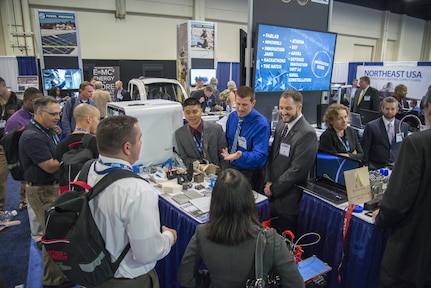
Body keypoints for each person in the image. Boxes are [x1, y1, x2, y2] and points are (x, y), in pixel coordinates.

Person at [85, 115, 177, 287]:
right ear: (127, 147)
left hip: (92, 271)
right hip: (127, 279)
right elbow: (146, 253)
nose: (141, 143)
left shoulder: (86, 171)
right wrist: (168, 238)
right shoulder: (138, 190)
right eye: (139, 139)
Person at [178, 168, 305, 288]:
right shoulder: (270, 240)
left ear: (215, 202)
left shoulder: (202, 233)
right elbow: (296, 284)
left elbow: (186, 278)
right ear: (249, 200)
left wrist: (211, 281)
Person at [373, 89, 431, 288]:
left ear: (428, 109)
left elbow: (397, 203)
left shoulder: (418, 143)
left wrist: (381, 217)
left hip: (411, 259)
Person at [18, 96, 73, 287]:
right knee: (53, 236)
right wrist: (71, 159)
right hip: (43, 190)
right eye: (54, 114)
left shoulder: (46, 130)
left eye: (58, 113)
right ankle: (53, 281)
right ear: (40, 113)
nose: (58, 117)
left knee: (53, 233)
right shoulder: (33, 136)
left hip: (48, 188)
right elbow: (50, 166)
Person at [264, 89, 318, 234]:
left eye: (288, 108)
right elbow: (272, 157)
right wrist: (268, 182)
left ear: (299, 107)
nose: (283, 112)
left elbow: (297, 170)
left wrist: (273, 188)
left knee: (285, 245)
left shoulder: (307, 134)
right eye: (281, 108)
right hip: (272, 196)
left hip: (289, 201)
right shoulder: (281, 125)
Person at [221, 85, 270, 192]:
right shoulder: (232, 117)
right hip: (231, 168)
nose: (240, 108)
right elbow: (228, 141)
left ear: (253, 103)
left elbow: (260, 156)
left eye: (244, 105)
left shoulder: (261, 124)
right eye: (238, 104)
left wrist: (241, 156)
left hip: (250, 174)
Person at [5, 87, 43, 211]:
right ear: (26, 101)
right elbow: (10, 145)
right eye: (35, 101)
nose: (38, 104)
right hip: (24, 159)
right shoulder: (14, 121)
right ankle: (23, 200)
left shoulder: (39, 115)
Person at [55, 104, 100, 193]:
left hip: (70, 194)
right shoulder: (96, 144)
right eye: (98, 119)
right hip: (91, 192)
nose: (99, 122)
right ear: (89, 119)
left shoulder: (62, 144)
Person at [175, 97, 227, 168]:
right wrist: (201, 166)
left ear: (201, 111)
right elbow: (185, 158)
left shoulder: (216, 129)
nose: (191, 115)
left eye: (195, 111)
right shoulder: (180, 134)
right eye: (187, 112)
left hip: (217, 173)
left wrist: (221, 172)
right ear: (184, 113)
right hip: (196, 174)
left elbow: (224, 156)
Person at [361, 96, 409, 170]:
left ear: (397, 110)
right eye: (387, 109)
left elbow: (404, 148)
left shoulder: (403, 126)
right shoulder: (371, 126)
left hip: (396, 167)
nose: (390, 111)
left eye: (392, 109)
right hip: (375, 167)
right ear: (382, 109)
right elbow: (365, 148)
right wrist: (365, 166)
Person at [0, 77, 22, 214]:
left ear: (3, 84)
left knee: (22, 173)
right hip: (1, 144)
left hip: (16, 143)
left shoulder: (17, 102)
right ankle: (0, 206)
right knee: (1, 174)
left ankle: (23, 200)